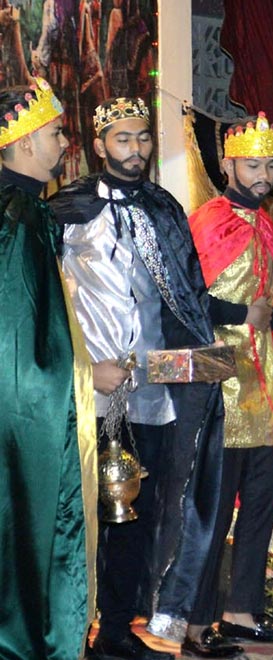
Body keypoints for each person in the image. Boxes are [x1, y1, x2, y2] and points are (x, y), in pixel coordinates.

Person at [51, 97, 225, 659]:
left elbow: (188, 294)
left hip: (151, 394)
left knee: (138, 515)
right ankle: (71, 631)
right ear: (99, 145)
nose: (136, 150)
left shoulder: (164, 209)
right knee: (87, 517)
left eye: (143, 138)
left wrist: (206, 353)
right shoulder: (65, 210)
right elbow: (45, 301)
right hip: (90, 393)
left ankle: (119, 632)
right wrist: (77, 371)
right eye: (123, 140)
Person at [185, 113, 273, 653]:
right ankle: (196, 626)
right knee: (212, 510)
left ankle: (241, 611)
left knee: (260, 503)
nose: (263, 175)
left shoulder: (262, 222)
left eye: (270, 165)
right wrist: (247, 313)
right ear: (228, 165)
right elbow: (189, 301)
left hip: (263, 384)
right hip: (221, 384)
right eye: (253, 165)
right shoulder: (208, 222)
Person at [0, 77, 97, 660]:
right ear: (25, 140)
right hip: (27, 411)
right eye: (56, 132)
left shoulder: (29, 210)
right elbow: (21, 335)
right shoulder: (18, 216)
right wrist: (72, 387)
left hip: (27, 404)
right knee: (31, 531)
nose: (64, 142)